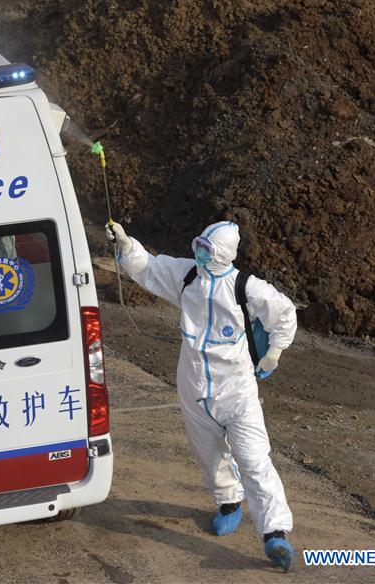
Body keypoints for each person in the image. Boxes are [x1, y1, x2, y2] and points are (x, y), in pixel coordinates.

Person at [107, 219, 297, 571]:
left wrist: (274, 353)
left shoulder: (246, 287)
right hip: (194, 385)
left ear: (223, 254)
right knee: (208, 454)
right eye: (198, 246)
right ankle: (228, 502)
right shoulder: (188, 277)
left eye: (206, 250)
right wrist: (125, 244)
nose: (199, 254)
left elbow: (284, 313)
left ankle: (275, 533)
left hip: (236, 390)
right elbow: (150, 267)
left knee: (254, 460)